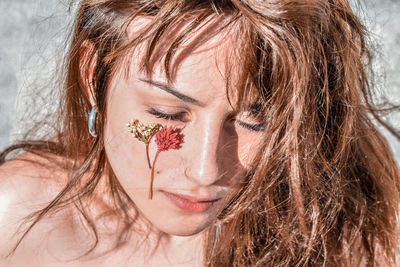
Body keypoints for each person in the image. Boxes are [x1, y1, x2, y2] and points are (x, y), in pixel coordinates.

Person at [1, 0, 399, 266]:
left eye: (254, 119)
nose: (206, 171)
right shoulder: (15, 217)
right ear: (92, 76)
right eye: (168, 113)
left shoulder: (363, 226)